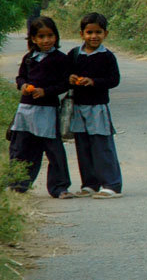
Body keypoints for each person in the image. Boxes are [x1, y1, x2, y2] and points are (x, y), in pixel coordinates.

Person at [9, 17, 73, 198]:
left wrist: (46, 91)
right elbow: (20, 78)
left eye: (50, 36)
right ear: (33, 39)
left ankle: (60, 187)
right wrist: (22, 86)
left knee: (54, 150)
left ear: (56, 36)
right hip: (26, 110)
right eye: (41, 36)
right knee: (20, 148)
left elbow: (64, 84)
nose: (46, 40)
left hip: (48, 110)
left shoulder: (61, 59)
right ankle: (17, 185)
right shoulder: (29, 58)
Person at [67, 12, 123, 199]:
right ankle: (90, 184)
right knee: (83, 147)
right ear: (82, 34)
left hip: (98, 108)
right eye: (89, 32)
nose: (93, 36)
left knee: (102, 146)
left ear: (105, 34)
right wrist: (71, 78)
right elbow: (64, 76)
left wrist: (94, 82)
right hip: (78, 108)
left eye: (98, 32)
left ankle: (111, 185)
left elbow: (114, 80)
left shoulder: (107, 57)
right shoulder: (74, 55)